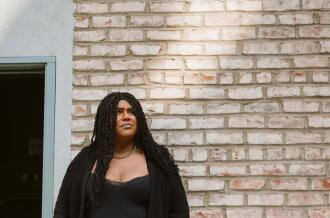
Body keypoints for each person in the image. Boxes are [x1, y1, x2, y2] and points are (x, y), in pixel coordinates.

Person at [53, 92, 190, 218]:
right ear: (105, 120)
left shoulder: (158, 159)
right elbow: (62, 210)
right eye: (118, 112)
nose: (127, 117)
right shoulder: (85, 159)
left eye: (131, 112)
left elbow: (179, 211)